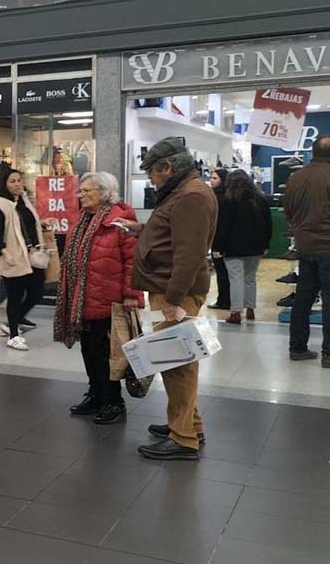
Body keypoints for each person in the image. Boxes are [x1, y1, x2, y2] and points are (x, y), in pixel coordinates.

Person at [115, 136, 217, 461]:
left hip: (176, 292)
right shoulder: (184, 192)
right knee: (178, 359)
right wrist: (139, 229)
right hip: (170, 288)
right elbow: (172, 233)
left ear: (168, 167)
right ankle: (189, 424)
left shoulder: (191, 197)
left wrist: (173, 300)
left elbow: (189, 254)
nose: (151, 179)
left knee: (177, 363)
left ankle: (183, 438)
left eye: (152, 173)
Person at [53, 172, 142, 426]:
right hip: (83, 299)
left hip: (108, 298)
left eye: (86, 191)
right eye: (80, 191)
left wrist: (131, 294)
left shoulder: (120, 219)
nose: (80, 195)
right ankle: (95, 394)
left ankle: (113, 401)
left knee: (107, 353)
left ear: (104, 192)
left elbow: (132, 261)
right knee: (89, 349)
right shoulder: (82, 220)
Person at [282, 135, 330, 367]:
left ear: (313, 152)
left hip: (304, 247)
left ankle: (298, 347)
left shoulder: (296, 177)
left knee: (303, 298)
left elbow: (288, 211)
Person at [0, 169, 43, 351]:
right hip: (14, 257)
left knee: (36, 291)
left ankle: (16, 320)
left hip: (31, 255)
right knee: (14, 295)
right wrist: (4, 252)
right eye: (12, 181)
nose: (17, 184)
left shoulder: (21, 201)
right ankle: (13, 334)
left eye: (19, 180)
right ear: (4, 183)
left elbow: (27, 225)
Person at [215, 170, 272, 325]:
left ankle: (235, 313)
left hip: (233, 247)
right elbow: (268, 224)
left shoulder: (228, 200)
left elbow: (223, 226)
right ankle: (250, 309)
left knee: (235, 279)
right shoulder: (260, 199)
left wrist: (218, 246)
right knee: (250, 279)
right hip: (255, 246)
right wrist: (266, 244)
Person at [207, 169, 231, 311]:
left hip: (220, 241)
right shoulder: (227, 196)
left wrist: (217, 246)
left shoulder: (218, 199)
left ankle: (224, 300)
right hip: (224, 241)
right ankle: (226, 299)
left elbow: (220, 223)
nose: (211, 180)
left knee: (222, 273)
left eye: (215, 178)